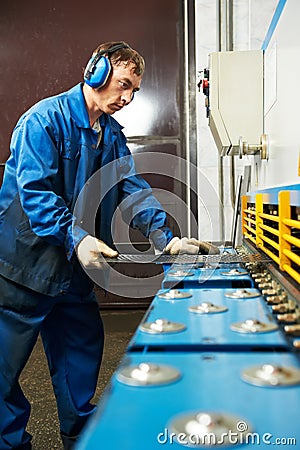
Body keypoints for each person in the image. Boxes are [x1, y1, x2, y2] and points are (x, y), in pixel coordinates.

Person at [0, 41, 218, 450]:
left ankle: (82, 438)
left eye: (134, 89)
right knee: (3, 371)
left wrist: (165, 239)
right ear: (96, 73)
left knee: (79, 355)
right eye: (122, 85)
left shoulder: (112, 136)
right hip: (24, 266)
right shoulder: (44, 121)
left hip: (74, 268)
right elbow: (35, 194)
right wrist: (76, 237)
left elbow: (130, 190)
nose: (127, 98)